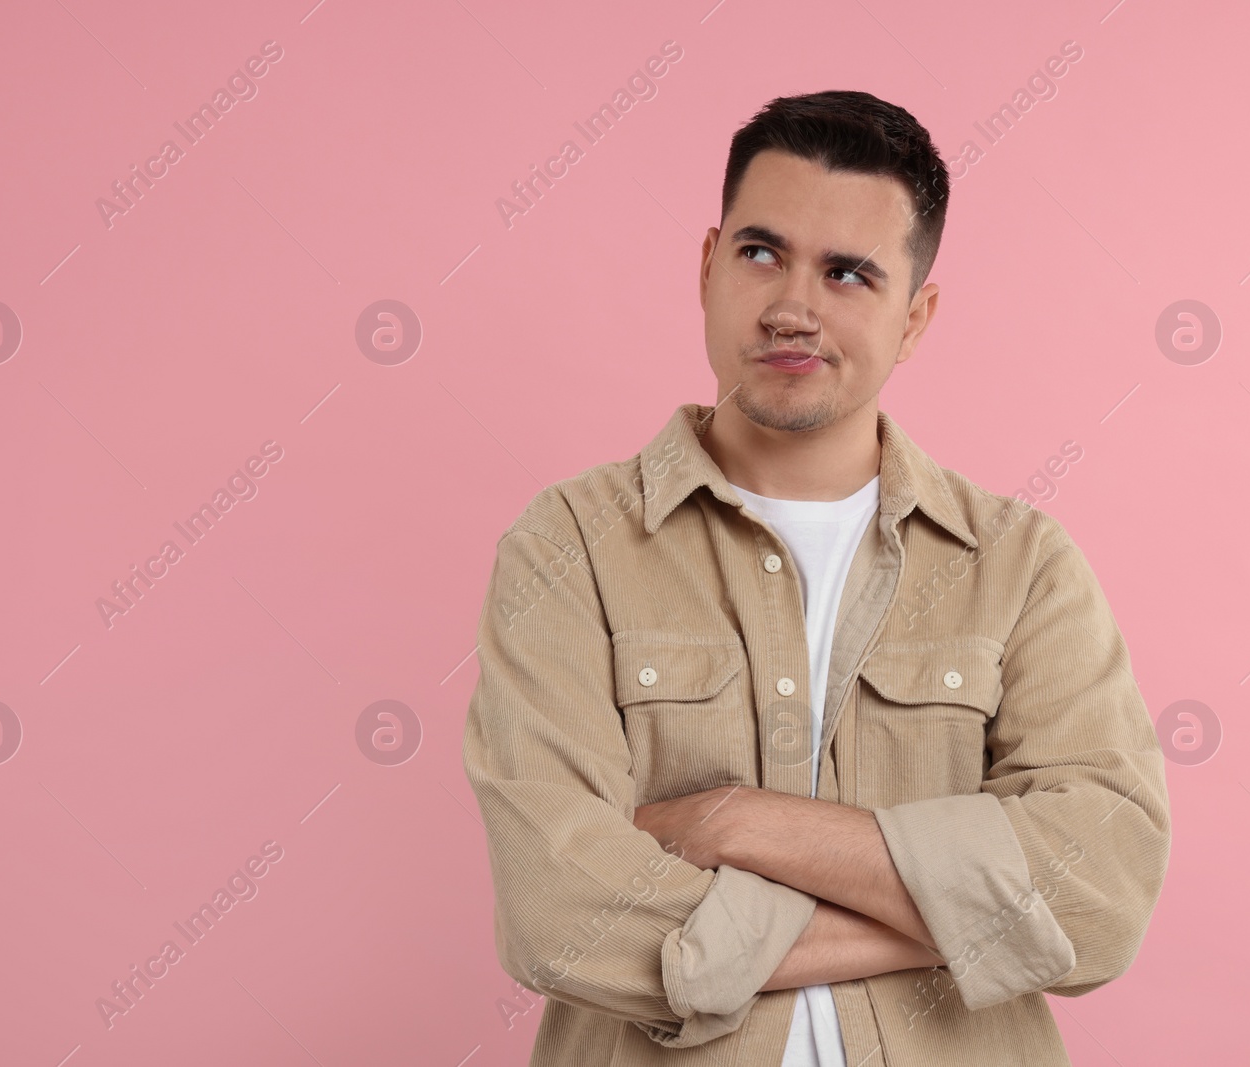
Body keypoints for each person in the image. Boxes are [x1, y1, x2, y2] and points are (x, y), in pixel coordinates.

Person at [462, 90, 1170, 1066]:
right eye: (761, 253)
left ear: (914, 316)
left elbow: (1105, 887)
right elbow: (560, 909)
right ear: (707, 265)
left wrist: (733, 820)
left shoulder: (1019, 565)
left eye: (847, 273)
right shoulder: (570, 545)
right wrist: (973, 916)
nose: (793, 306)